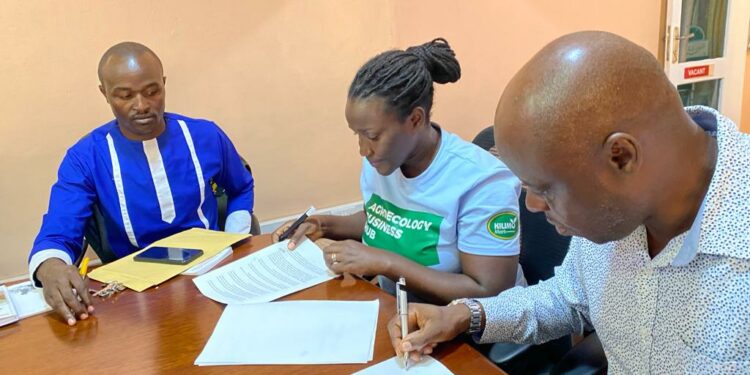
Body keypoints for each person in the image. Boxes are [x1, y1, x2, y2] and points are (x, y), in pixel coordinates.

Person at [388, 31, 750, 373]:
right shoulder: (618, 212)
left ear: (621, 157)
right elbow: (569, 297)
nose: (531, 205)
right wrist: (465, 314)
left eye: (544, 189)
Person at [273, 38, 524, 304]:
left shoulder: (482, 181)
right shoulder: (385, 158)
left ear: (415, 119)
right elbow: (385, 220)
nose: (363, 149)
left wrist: (384, 263)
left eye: (371, 135)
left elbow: (489, 292)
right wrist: (322, 225)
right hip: (398, 308)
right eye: (357, 134)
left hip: (471, 334)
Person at [29, 42, 255, 326]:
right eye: (124, 95)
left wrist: (234, 237)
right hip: (136, 299)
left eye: (152, 92)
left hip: (211, 276)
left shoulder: (205, 135)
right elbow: (59, 231)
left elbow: (241, 187)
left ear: (163, 84)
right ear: (105, 94)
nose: (142, 106)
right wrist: (50, 267)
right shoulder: (85, 157)